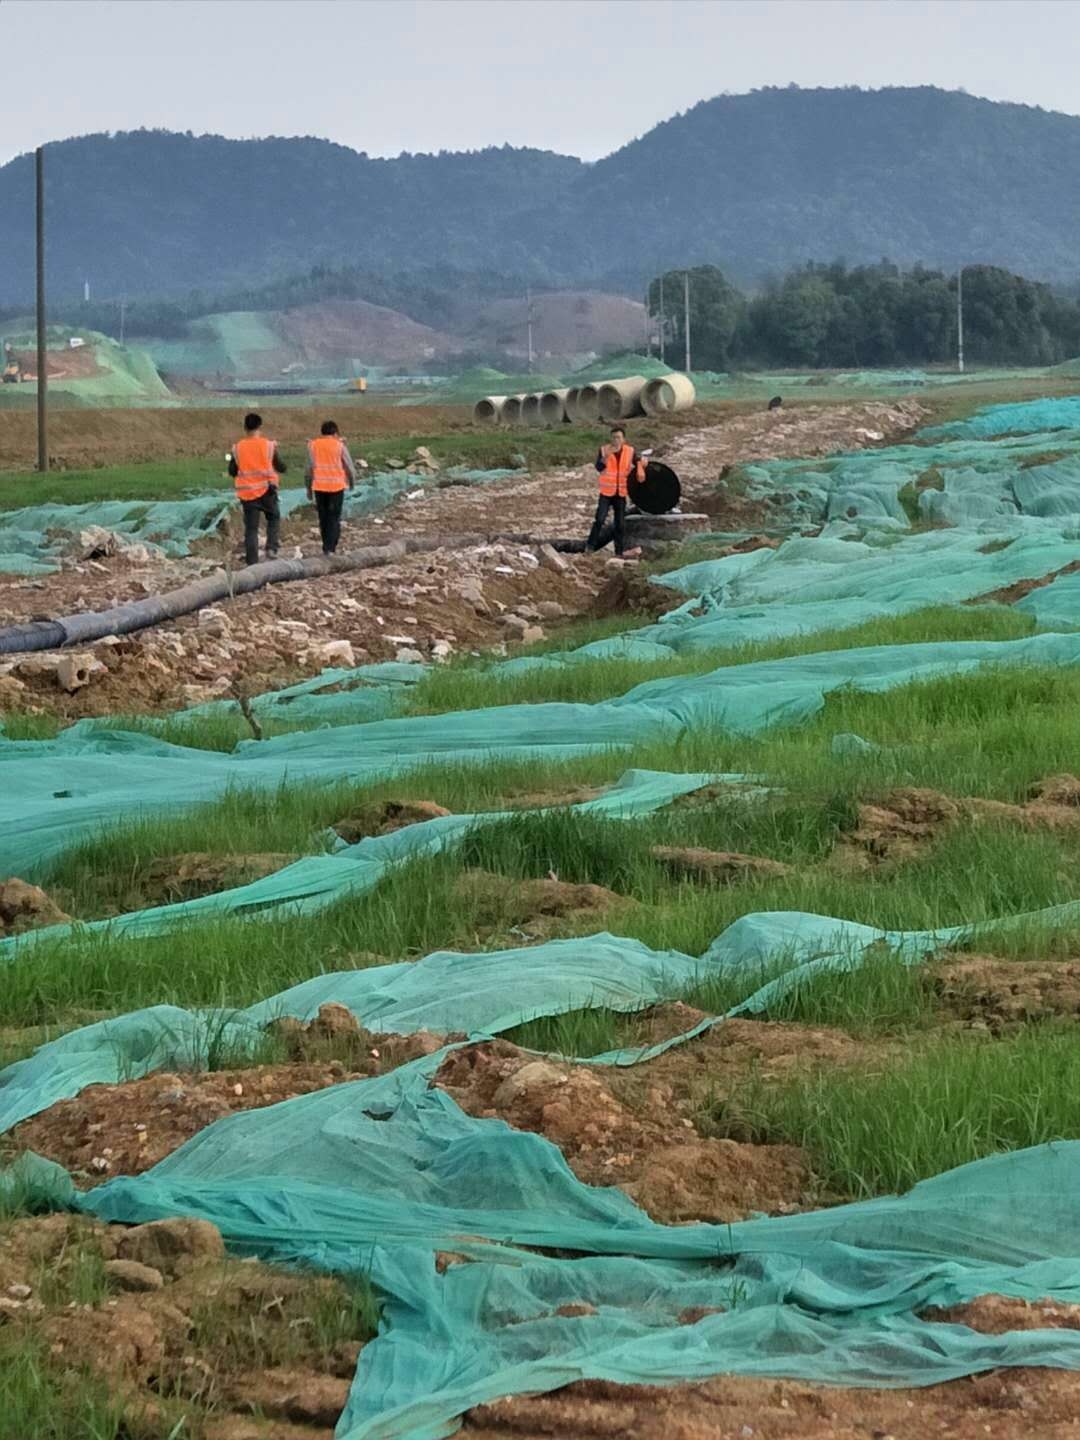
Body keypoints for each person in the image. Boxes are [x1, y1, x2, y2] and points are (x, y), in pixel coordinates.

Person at [228, 412, 286, 565]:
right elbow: (281, 466)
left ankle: (252, 561)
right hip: (267, 490)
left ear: (245, 428)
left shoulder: (237, 448)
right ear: (260, 427)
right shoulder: (268, 445)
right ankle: (272, 548)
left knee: (251, 529)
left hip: (247, 493)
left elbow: (232, 471)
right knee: (273, 518)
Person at [585, 426, 644, 559]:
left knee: (620, 523)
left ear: (624, 439)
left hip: (621, 493)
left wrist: (641, 465)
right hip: (606, 492)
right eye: (613, 437)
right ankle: (590, 546)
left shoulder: (630, 451)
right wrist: (605, 458)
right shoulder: (604, 450)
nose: (615, 440)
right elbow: (599, 468)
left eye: (618, 437)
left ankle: (619, 551)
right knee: (599, 519)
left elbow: (638, 460)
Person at [305, 420, 357, 555]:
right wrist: (352, 482)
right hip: (336, 487)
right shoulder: (340, 446)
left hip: (319, 487)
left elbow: (309, 469)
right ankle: (331, 548)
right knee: (334, 518)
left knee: (323, 518)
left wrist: (308, 488)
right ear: (335, 433)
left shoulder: (313, 446)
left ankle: (325, 547)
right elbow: (349, 466)